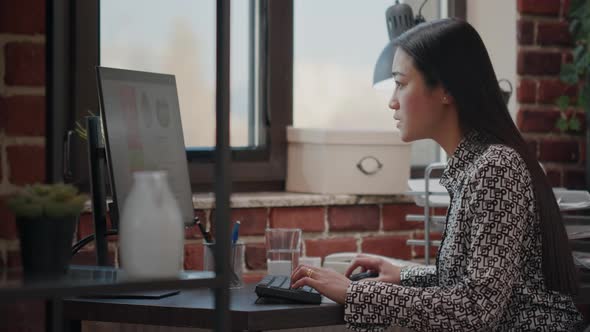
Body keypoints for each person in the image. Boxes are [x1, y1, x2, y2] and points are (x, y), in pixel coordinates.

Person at [290, 18, 585, 331]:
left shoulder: (495, 167)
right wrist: (403, 275)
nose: (392, 100)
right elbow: (480, 280)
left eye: (401, 84)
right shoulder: (475, 165)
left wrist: (355, 292)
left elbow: (475, 309)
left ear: (446, 90)